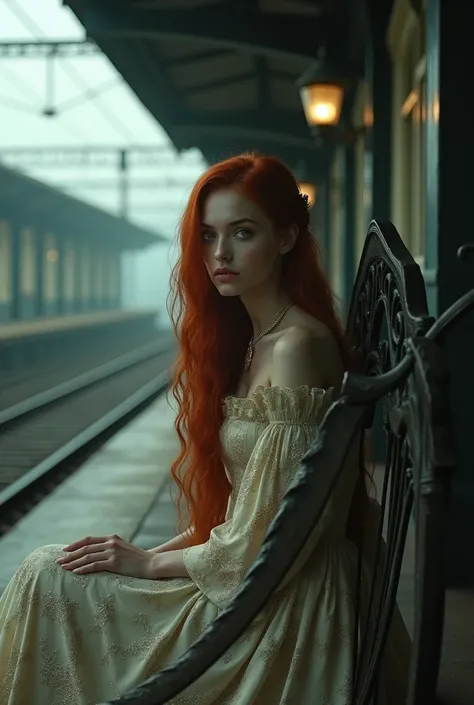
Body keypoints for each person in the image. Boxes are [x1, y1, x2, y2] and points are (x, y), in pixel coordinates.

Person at [0, 153, 410, 705]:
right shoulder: (253, 340)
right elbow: (244, 519)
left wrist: (147, 562)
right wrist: (147, 557)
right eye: (209, 235)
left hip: (282, 604)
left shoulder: (297, 348)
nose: (220, 254)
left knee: (46, 579)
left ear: (286, 238)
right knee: (51, 573)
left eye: (243, 233)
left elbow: (272, 538)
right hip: (251, 578)